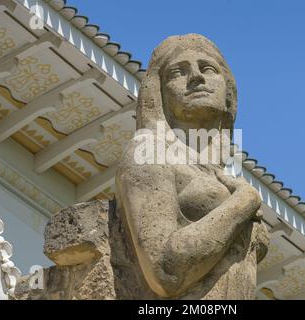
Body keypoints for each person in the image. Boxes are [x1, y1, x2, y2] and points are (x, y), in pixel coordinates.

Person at [115, 34, 268, 299]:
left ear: (229, 93)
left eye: (208, 68)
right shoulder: (147, 152)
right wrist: (243, 203)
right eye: (178, 72)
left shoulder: (221, 175)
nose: (196, 77)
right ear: (159, 94)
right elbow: (165, 272)